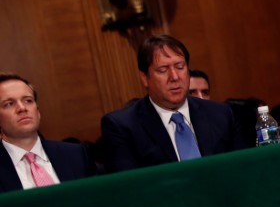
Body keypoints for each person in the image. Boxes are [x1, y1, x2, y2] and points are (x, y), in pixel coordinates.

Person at [100, 34, 248, 173]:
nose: (175, 77)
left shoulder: (221, 114)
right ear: (145, 78)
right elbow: (130, 189)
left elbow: (242, 170)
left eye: (180, 67)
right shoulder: (122, 127)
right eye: (163, 70)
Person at [0, 73, 96, 192]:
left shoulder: (76, 154)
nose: (22, 108)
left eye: (28, 101)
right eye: (9, 104)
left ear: (38, 111)